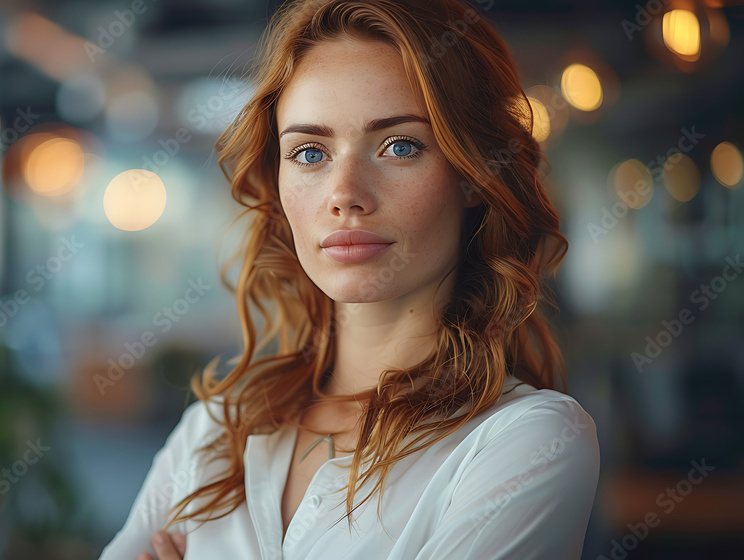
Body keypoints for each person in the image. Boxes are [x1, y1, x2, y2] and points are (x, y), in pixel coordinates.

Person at [100, 0, 600, 558]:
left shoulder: (527, 441)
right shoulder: (216, 431)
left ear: (473, 175)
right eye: (310, 152)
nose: (344, 195)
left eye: (400, 145)